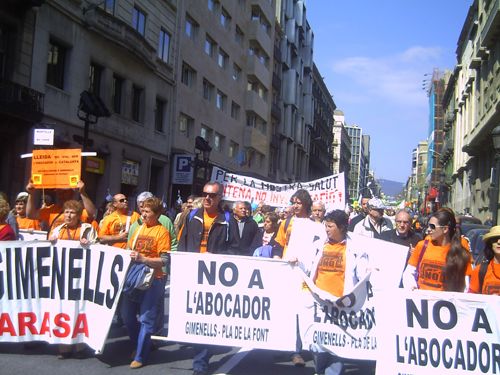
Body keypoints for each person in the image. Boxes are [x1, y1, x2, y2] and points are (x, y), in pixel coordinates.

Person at [177, 181, 233, 375]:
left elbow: (234, 248)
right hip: (193, 272)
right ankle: (202, 351)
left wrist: (216, 258)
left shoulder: (227, 219)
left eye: (212, 195)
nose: (207, 198)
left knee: (209, 315)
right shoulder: (192, 216)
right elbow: (182, 243)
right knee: (195, 314)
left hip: (216, 275)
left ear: (220, 198)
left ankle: (200, 360)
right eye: (205, 194)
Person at [122, 196, 171, 369]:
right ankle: (140, 344)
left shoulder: (162, 232)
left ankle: (140, 355)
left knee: (146, 318)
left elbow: (164, 260)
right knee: (127, 315)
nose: (143, 214)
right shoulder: (137, 229)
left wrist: (144, 259)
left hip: (153, 280)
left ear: (157, 214)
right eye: (142, 210)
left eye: (147, 211)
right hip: (134, 277)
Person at [48, 199, 98, 358]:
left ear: (78, 216)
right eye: (66, 212)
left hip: (81, 278)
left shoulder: (87, 229)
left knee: (80, 309)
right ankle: (64, 347)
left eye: (72, 213)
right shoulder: (56, 230)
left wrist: (88, 243)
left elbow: (97, 249)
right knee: (62, 309)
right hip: (62, 277)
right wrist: (50, 243)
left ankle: (80, 345)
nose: (68, 215)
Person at [310, 210, 353, 375]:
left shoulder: (353, 248)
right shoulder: (320, 244)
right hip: (320, 302)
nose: (326, 230)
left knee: (336, 343)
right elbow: (309, 265)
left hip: (340, 304)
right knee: (318, 343)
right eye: (325, 226)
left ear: (341, 227)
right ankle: (320, 370)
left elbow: (361, 272)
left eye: (330, 226)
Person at [403, 208, 472, 292]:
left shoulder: (460, 251)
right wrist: (412, 288)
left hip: (445, 303)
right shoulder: (422, 246)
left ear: (445, 229)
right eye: (428, 226)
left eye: (432, 227)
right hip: (422, 302)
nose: (428, 230)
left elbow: (465, 285)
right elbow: (409, 273)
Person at [25, 179, 97, 233]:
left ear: (72, 192)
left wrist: (82, 192)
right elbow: (30, 215)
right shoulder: (52, 210)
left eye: (64, 192)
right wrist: (31, 194)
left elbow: (93, 214)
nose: (60, 195)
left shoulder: (78, 210)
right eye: (59, 192)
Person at [468, 225, 500, 295]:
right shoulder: (480, 270)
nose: (499, 242)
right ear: (490, 244)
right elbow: (471, 300)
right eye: (495, 239)